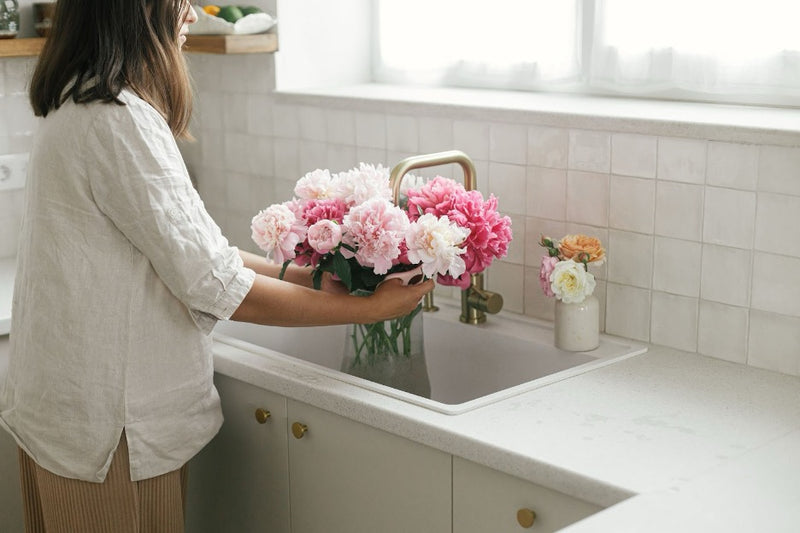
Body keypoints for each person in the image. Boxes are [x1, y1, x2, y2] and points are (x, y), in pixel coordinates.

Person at [0, 1, 434, 532]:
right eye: (178, 2)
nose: (189, 15)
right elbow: (218, 286)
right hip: (110, 436)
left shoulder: (78, 100)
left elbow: (206, 257)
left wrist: (330, 281)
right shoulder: (120, 121)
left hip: (67, 414)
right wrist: (365, 312)